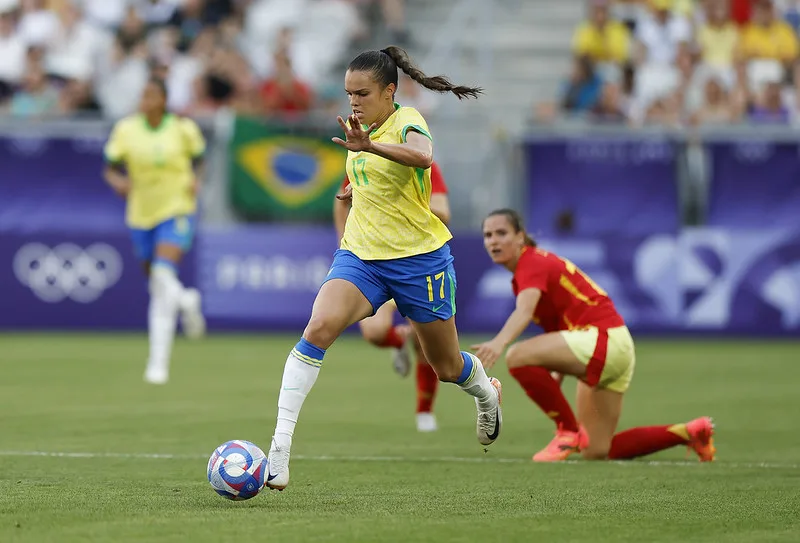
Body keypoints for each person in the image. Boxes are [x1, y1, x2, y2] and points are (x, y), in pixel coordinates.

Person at [265, 46, 501, 491]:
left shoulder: (406, 119)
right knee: (318, 327)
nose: (353, 101)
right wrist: (345, 236)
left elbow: (423, 155)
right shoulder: (356, 132)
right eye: (348, 93)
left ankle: (487, 394)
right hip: (362, 258)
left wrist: (369, 144)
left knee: (447, 367)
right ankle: (279, 450)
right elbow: (349, 193)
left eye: (363, 93)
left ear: (389, 90)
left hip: (419, 260)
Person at [473, 209, 716, 463]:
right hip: (616, 347)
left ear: (520, 237)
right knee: (597, 450)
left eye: (501, 233)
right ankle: (689, 432)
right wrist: (551, 376)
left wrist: (499, 343)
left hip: (601, 338)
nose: (493, 241)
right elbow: (559, 331)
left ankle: (567, 432)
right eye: (488, 235)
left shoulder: (530, 262)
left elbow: (524, 312)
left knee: (517, 356)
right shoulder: (530, 268)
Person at [103, 77, 207, 385]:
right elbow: (109, 167)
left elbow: (200, 161)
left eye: (151, 95)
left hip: (176, 208)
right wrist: (118, 182)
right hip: (140, 214)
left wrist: (196, 179)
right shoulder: (126, 130)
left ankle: (157, 364)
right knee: (158, 285)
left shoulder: (182, 129)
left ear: (163, 99)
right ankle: (186, 298)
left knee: (163, 274)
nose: (145, 101)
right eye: (143, 95)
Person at [333, 161, 451, 433]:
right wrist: (343, 243)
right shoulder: (367, 161)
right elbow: (341, 201)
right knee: (374, 332)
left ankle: (424, 411)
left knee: (431, 348)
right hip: (375, 260)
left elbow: (444, 213)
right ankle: (400, 339)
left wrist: (402, 199)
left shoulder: (427, 166)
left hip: (417, 264)